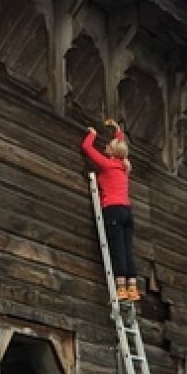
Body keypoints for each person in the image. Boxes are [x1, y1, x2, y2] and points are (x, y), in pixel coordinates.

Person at [81, 120, 140, 302]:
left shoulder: (107, 165)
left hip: (113, 210)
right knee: (127, 249)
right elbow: (121, 144)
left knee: (117, 249)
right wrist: (117, 131)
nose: (106, 146)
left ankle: (120, 289)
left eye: (109, 145)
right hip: (127, 211)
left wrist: (92, 133)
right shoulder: (124, 167)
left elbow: (86, 148)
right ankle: (132, 288)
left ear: (113, 152)